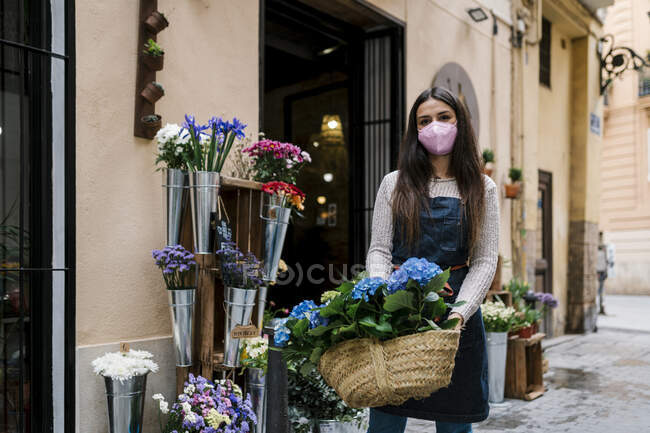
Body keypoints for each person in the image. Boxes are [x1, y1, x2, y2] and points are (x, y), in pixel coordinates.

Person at [365, 87, 499, 433]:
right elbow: (380, 250)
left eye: (444, 117)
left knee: (454, 423)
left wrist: (459, 314)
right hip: (398, 314)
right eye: (424, 121)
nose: (434, 127)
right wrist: (382, 297)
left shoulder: (482, 189)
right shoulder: (393, 184)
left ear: (460, 123)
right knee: (385, 420)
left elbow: (484, 260)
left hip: (455, 318)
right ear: (415, 131)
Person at [596, 231, 612, 315]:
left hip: (602, 271)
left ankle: (601, 306)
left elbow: (607, 260)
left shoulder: (605, 248)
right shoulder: (595, 247)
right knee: (598, 290)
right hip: (597, 271)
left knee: (601, 290)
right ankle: (599, 306)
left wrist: (606, 271)